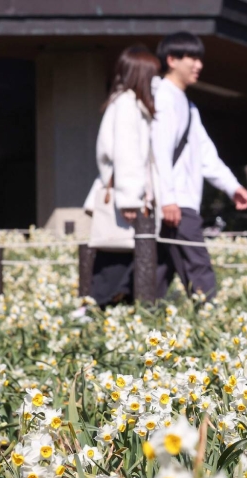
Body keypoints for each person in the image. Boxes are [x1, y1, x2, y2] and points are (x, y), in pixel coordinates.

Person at [152, 31, 247, 300]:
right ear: (172, 59)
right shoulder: (163, 97)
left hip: (177, 202)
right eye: (192, 58)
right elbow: (159, 152)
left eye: (200, 58)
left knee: (159, 271)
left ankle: (141, 319)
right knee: (198, 266)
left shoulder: (187, 104)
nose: (199, 65)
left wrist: (232, 187)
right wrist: (168, 198)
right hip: (176, 203)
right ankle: (210, 321)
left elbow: (205, 154)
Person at [86, 45, 161, 307]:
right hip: (127, 199)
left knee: (116, 262)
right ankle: (94, 312)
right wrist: (130, 199)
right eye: (153, 75)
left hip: (126, 195)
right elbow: (126, 153)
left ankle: (100, 312)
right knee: (116, 264)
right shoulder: (128, 105)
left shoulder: (124, 102)